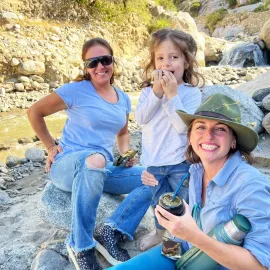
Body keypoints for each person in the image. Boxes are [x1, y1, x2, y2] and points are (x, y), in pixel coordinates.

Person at [27, 37, 152, 270]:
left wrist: (126, 155)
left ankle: (110, 231)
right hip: (67, 165)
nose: (99, 67)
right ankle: (80, 245)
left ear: (113, 62)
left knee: (152, 177)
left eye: (104, 60)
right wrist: (50, 147)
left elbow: (123, 133)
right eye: (92, 63)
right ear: (85, 67)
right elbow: (34, 112)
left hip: (99, 169)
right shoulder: (75, 91)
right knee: (96, 159)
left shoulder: (123, 98)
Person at [108, 93, 270, 270]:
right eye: (201, 127)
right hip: (185, 255)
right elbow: (183, 241)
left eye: (220, 129)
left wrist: (193, 236)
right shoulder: (196, 172)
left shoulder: (251, 186)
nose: (208, 136)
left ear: (233, 141)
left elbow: (259, 266)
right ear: (190, 137)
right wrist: (165, 257)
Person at [135, 28, 204, 251]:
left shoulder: (191, 93)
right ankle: (158, 233)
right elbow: (140, 119)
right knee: (157, 202)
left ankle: (178, 239)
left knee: (181, 203)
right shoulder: (148, 92)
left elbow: (183, 127)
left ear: (186, 61)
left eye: (174, 57)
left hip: (180, 162)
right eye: (160, 58)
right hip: (154, 162)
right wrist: (157, 93)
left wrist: (172, 95)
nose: (166, 64)